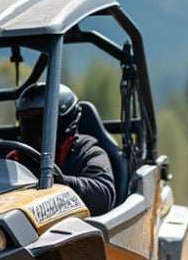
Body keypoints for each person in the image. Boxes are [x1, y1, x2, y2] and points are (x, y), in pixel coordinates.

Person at [14, 84, 116, 215]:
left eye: (41, 119)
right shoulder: (11, 156)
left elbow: (103, 196)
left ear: (65, 120)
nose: (32, 128)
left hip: (73, 230)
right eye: (26, 119)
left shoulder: (89, 153)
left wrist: (60, 182)